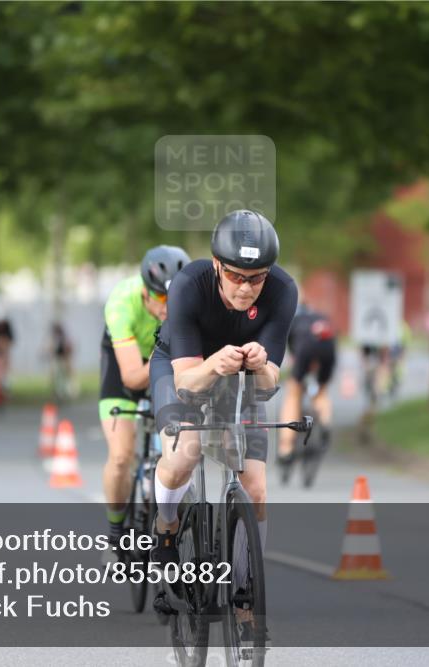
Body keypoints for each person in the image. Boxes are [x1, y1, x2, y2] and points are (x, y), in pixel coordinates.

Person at [148, 210, 297, 569]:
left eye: (256, 278)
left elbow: (267, 387)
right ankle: (166, 524)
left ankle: (247, 596)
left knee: (257, 490)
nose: (245, 287)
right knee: (185, 452)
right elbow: (185, 383)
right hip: (180, 366)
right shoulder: (188, 284)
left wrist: (261, 365)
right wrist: (214, 363)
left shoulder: (283, 291)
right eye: (235, 276)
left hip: (240, 377)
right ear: (217, 265)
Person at [98, 245, 191, 558]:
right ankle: (115, 534)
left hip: (167, 360)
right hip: (128, 364)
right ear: (145, 292)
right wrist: (165, 358)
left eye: (174, 298)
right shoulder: (122, 303)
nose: (169, 308)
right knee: (122, 456)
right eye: (162, 299)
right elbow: (132, 377)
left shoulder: (187, 303)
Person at [277, 302, 336, 484]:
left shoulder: (293, 321)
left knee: (293, 393)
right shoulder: (320, 316)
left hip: (306, 348)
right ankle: (325, 422)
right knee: (321, 391)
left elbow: (292, 350)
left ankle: (286, 449)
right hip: (328, 347)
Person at [49, 321, 75, 401]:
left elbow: (68, 349)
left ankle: (66, 393)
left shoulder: (64, 338)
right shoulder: (54, 339)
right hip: (57, 359)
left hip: (63, 359)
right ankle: (59, 393)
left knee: (64, 377)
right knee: (58, 377)